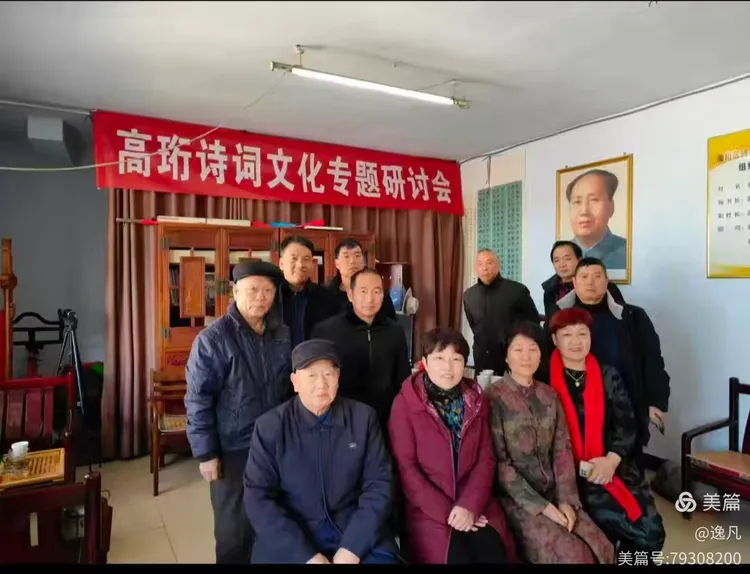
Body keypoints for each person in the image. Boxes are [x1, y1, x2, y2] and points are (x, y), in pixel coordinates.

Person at [244, 339, 401, 564]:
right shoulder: (269, 427)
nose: (321, 384)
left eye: (328, 374)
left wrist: (352, 548)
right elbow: (258, 497)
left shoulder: (363, 418)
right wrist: (306, 556)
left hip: (352, 528)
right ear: (295, 382)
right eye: (311, 375)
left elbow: (379, 484)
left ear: (338, 378)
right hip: (294, 533)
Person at [185, 260, 292, 564]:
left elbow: (288, 387)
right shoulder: (213, 339)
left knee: (272, 523)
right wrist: (206, 454)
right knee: (233, 532)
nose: (261, 297)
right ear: (235, 291)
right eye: (253, 289)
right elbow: (198, 400)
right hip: (233, 449)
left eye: (268, 291)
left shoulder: (281, 333)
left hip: (275, 445)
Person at [486, 321, 614, 564]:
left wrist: (566, 501)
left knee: (603, 548)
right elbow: (500, 465)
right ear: (506, 356)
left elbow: (561, 450)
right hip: (520, 501)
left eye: (533, 349)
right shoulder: (493, 398)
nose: (526, 357)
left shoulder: (549, 395)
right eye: (518, 350)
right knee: (573, 556)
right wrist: (544, 507)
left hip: (556, 492)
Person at [388, 328, 517, 564]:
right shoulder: (405, 404)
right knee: (457, 557)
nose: (448, 367)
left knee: (493, 552)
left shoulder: (476, 401)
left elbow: (485, 459)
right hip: (428, 510)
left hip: (475, 502)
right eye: (439, 358)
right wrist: (449, 512)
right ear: (424, 362)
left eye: (456, 359)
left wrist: (469, 506)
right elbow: (406, 469)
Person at [547, 308, 665, 558]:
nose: (576, 341)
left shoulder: (607, 375)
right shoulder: (544, 378)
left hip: (611, 464)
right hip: (565, 474)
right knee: (599, 530)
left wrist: (611, 460)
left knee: (651, 532)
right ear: (555, 340)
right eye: (567, 335)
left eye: (582, 334)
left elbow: (626, 423)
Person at [549, 257, 670, 456]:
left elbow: (653, 360)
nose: (590, 282)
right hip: (575, 407)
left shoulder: (632, 317)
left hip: (626, 406)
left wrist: (657, 401)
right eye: (584, 277)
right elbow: (547, 359)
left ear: (606, 281)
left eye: (597, 276)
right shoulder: (559, 317)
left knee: (625, 459)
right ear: (574, 282)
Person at [312, 267, 411, 435]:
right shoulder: (326, 331)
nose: (370, 299)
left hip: (385, 420)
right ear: (351, 295)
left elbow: (402, 379)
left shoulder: (395, 332)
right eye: (363, 291)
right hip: (341, 419)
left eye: (376, 292)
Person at [463, 248, 539, 375]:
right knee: (484, 387)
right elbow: (474, 325)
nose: (484, 268)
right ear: (475, 268)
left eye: (489, 263)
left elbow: (533, 324)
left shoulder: (517, 290)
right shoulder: (469, 295)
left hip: (512, 356)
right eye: (480, 264)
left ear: (498, 265)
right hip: (482, 357)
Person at [277, 235, 339, 346]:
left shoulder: (326, 297)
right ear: (281, 264)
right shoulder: (271, 296)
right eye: (294, 259)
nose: (300, 265)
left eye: (306, 259)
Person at [542, 240, 624, 320]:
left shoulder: (605, 287)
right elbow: (550, 321)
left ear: (579, 260)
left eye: (567, 259)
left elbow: (622, 315)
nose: (562, 264)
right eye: (556, 260)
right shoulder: (549, 290)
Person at [565, 169, 627, 271]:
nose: (584, 211)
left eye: (594, 200)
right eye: (577, 202)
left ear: (611, 207)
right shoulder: (562, 254)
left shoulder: (628, 253)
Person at [327, 237, 397, 319]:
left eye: (357, 255)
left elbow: (391, 323)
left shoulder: (378, 293)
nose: (352, 261)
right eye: (346, 256)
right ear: (337, 263)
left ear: (363, 261)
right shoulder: (326, 296)